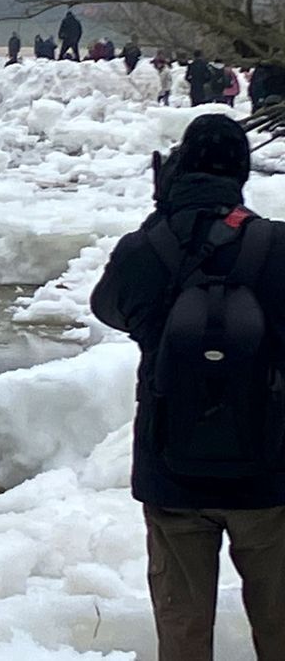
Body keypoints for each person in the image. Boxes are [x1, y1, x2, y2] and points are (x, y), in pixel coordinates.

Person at [91, 114, 285, 661]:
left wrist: (162, 223)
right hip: (270, 469)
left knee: (183, 629)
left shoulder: (145, 248)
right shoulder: (276, 245)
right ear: (241, 174)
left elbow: (109, 308)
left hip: (171, 468)